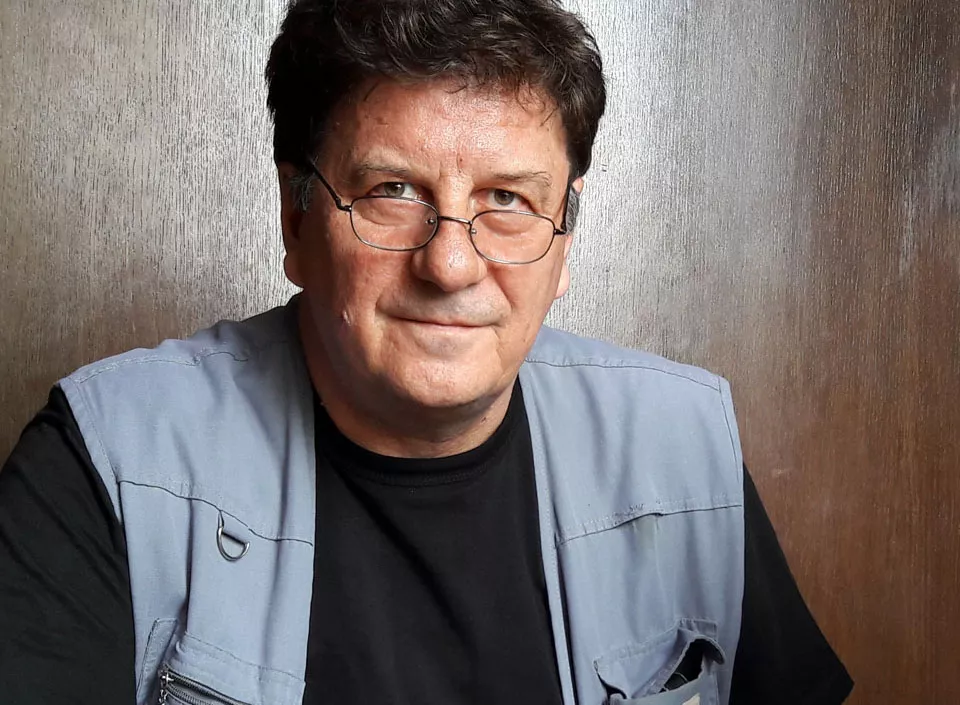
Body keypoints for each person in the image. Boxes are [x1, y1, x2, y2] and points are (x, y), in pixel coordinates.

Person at [0, 1, 854, 703]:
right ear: (297, 218)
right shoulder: (106, 461)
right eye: (393, 190)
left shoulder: (686, 449)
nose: (450, 264)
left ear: (565, 234)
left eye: (508, 199)